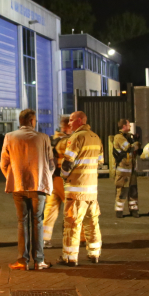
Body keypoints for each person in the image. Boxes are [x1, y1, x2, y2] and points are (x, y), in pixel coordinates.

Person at [0, 109, 55, 271]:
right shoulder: (43, 138)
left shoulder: (9, 137)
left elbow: (3, 163)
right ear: (31, 121)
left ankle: (22, 261)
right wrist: (45, 177)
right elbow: (51, 164)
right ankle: (39, 261)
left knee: (22, 222)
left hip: (18, 186)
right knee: (38, 221)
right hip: (39, 186)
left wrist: (13, 178)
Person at [59, 111, 104, 266]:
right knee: (92, 222)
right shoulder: (96, 137)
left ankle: (70, 257)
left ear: (79, 120)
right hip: (92, 191)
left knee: (72, 223)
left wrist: (63, 176)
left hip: (76, 190)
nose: (69, 123)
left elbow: (67, 163)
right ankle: (94, 253)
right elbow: (101, 161)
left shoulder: (76, 137)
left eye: (71, 120)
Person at [42, 116, 71, 248]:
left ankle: (44, 238)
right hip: (63, 181)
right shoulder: (67, 142)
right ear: (67, 127)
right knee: (72, 208)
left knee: (50, 209)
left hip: (52, 180)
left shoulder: (53, 139)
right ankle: (78, 238)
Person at [112, 119, 140, 218]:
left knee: (133, 190)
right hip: (123, 170)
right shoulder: (118, 137)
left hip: (131, 170)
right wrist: (136, 144)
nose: (130, 126)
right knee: (122, 190)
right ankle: (119, 211)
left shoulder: (128, 137)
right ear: (124, 126)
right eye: (128, 125)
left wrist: (135, 141)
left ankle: (134, 210)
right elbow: (128, 148)